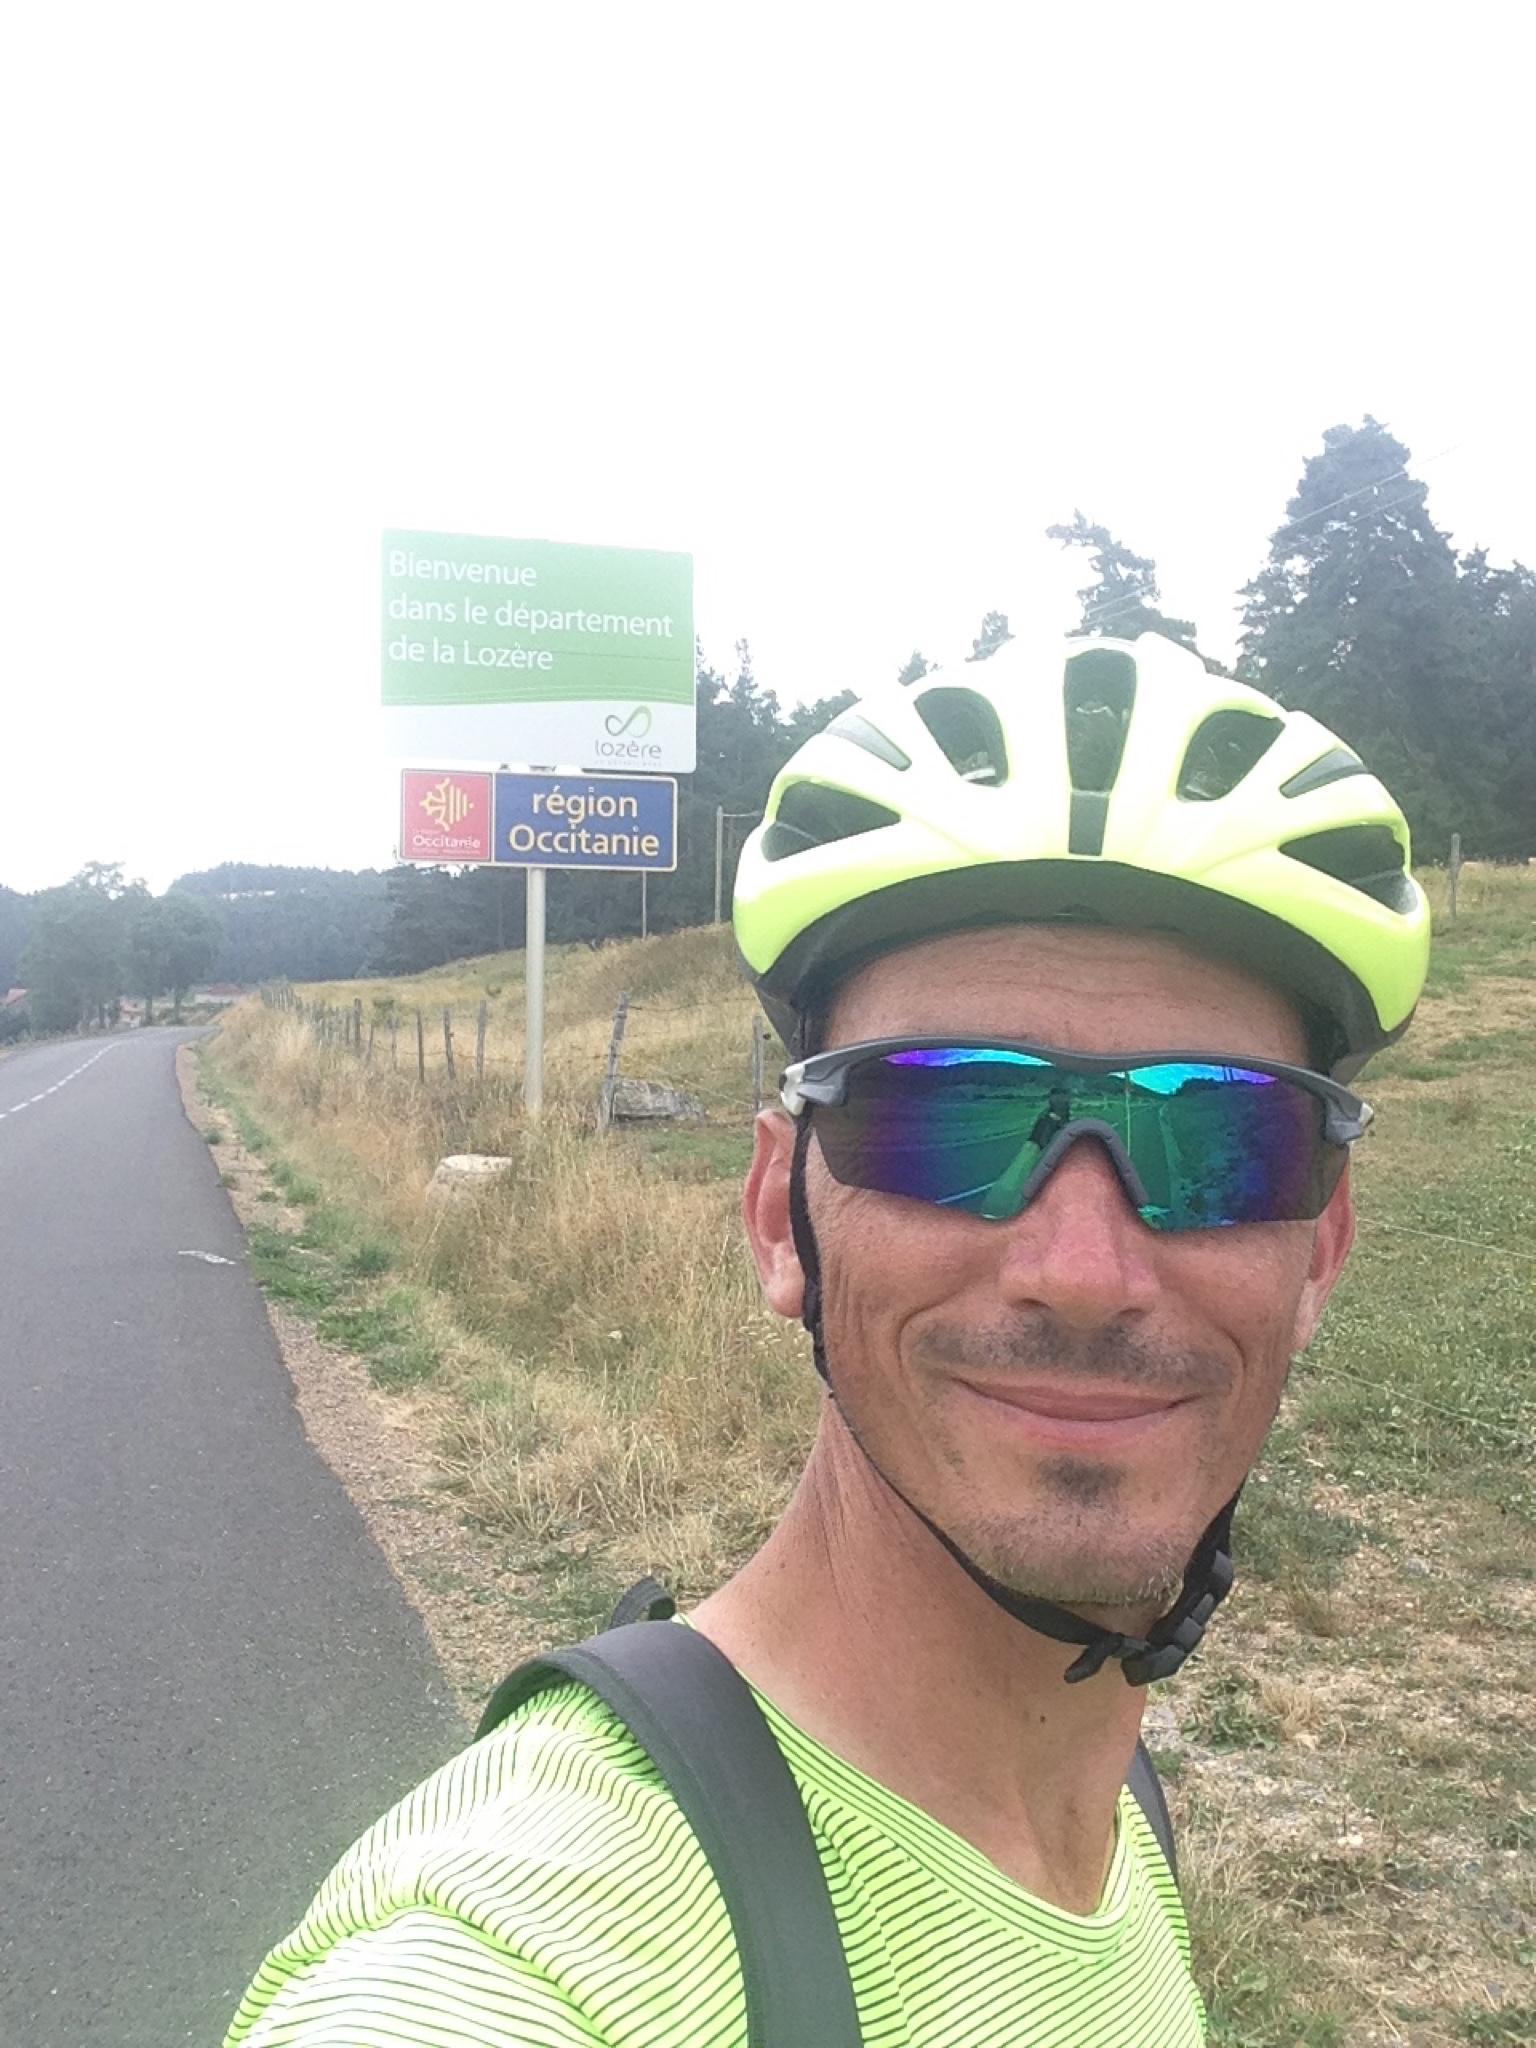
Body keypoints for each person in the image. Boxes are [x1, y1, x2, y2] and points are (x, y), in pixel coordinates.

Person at [224, 633, 1428, 2046]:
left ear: (1320, 1251)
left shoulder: (1109, 1813)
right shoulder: (511, 1963)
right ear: (779, 1220)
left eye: (1226, 1137)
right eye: (945, 1118)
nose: (1084, 1275)